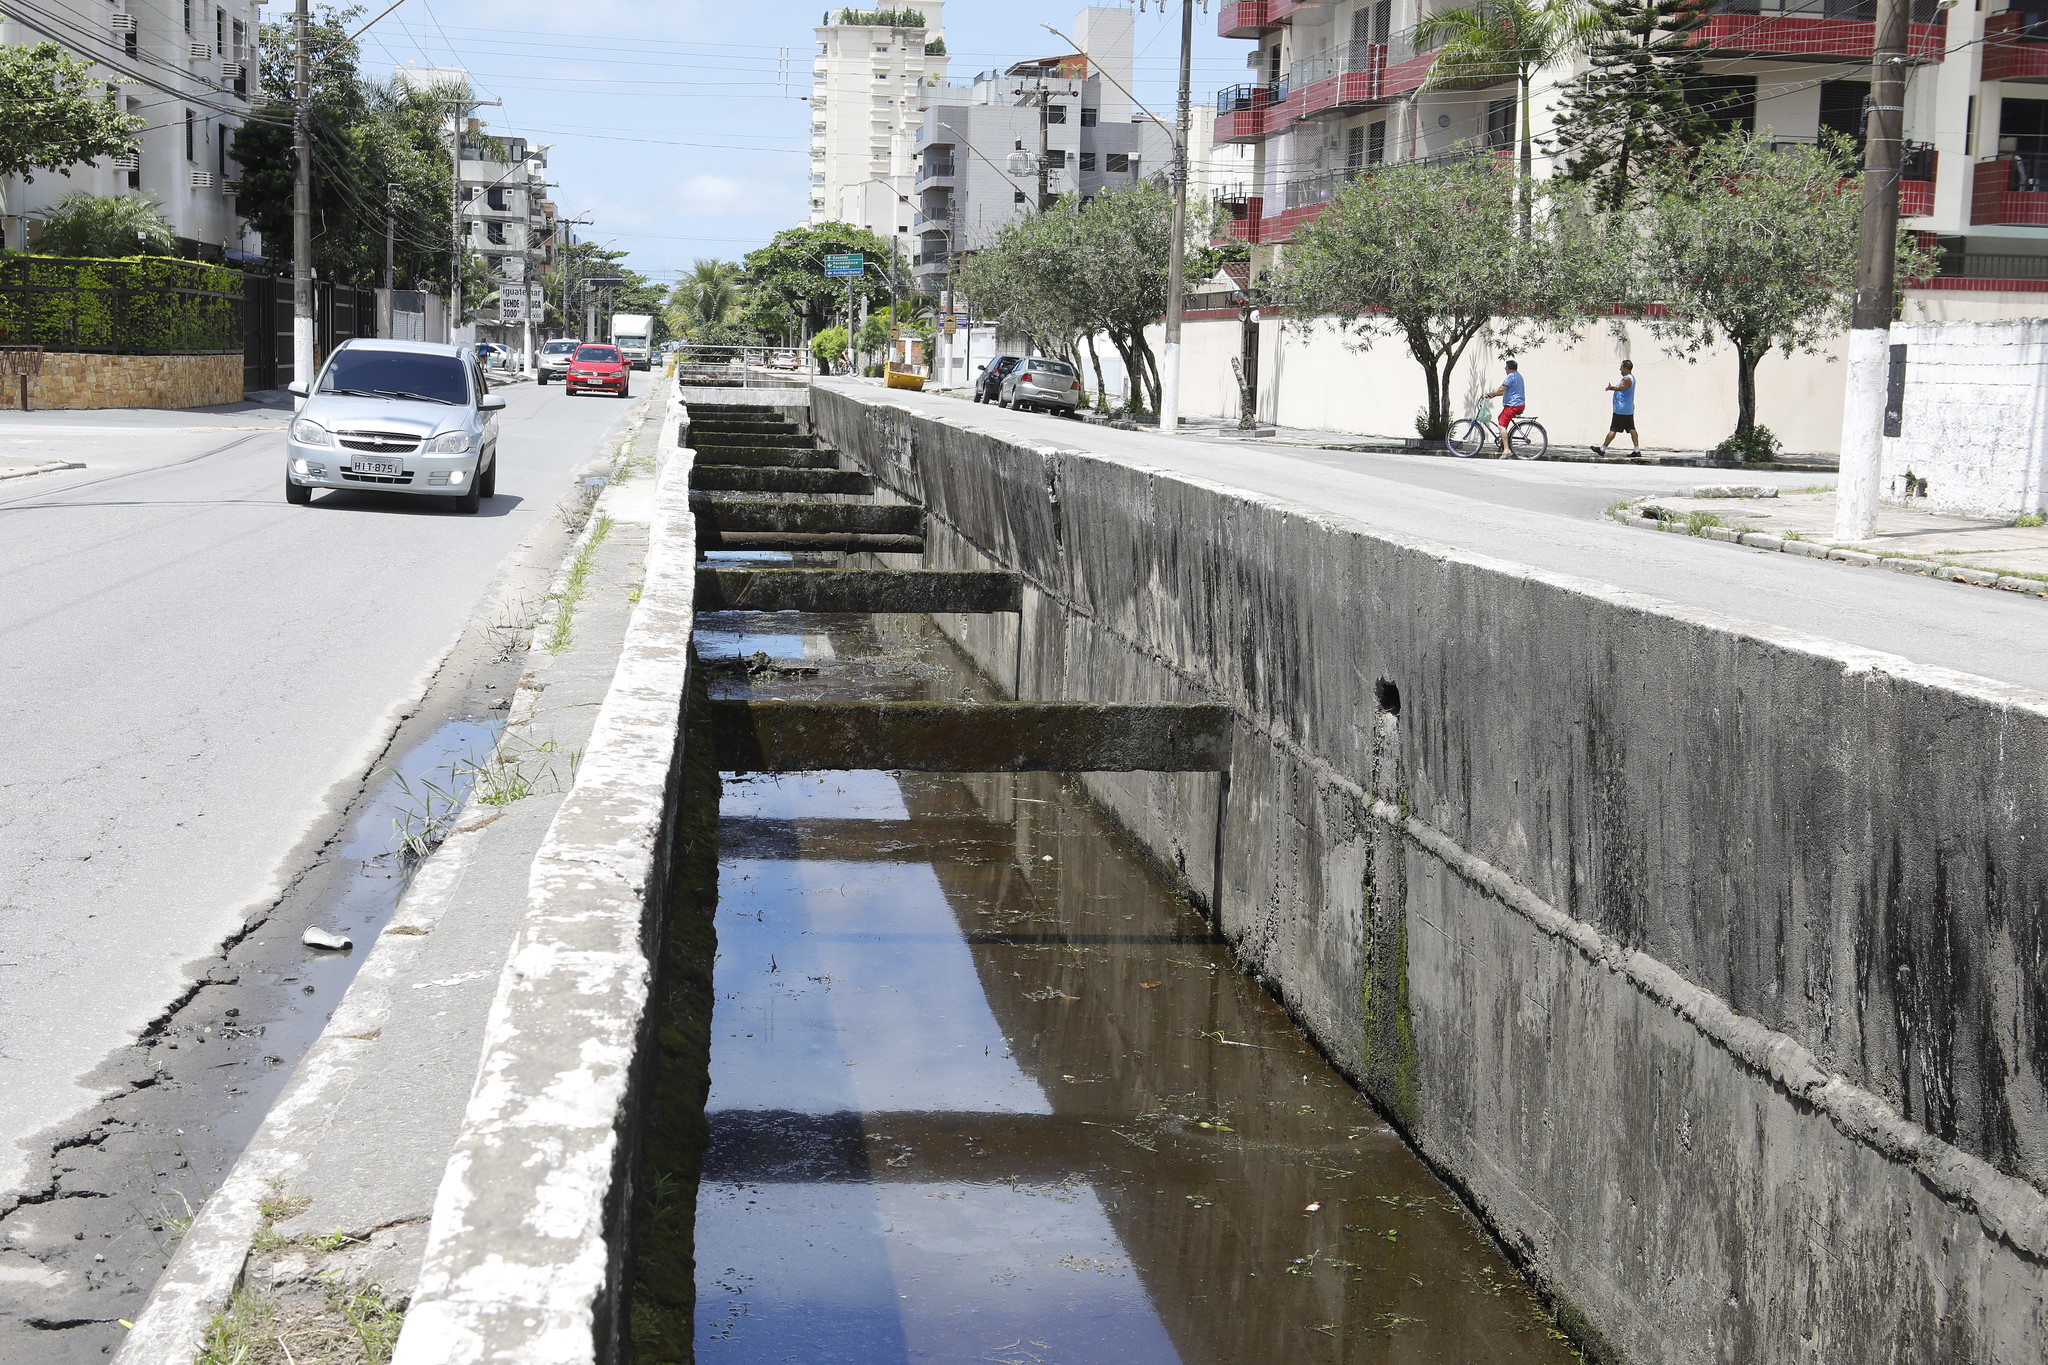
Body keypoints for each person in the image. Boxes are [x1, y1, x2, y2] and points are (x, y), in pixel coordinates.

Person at [1480, 359, 1526, 458]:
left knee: (1501, 425)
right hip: (1519, 404)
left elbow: (1501, 389)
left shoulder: (1510, 376)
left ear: (1508, 368)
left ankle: (1506, 450)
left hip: (1513, 405)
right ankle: (1503, 444)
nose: (1505, 369)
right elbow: (1504, 392)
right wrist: (1492, 396)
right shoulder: (1518, 376)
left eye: (1506, 367)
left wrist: (1489, 394)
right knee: (1501, 419)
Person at [1595, 359, 1639, 457]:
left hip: (1621, 410)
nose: (1620, 369)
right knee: (1631, 429)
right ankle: (1637, 450)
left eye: (1622, 367)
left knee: (1613, 429)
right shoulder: (1630, 378)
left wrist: (1611, 388)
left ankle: (1602, 449)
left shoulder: (1627, 379)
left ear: (1626, 368)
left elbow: (1621, 388)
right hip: (1627, 408)